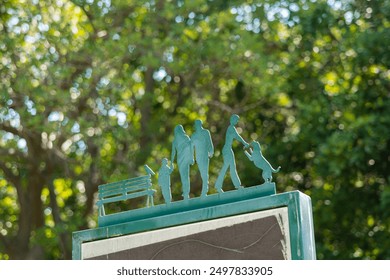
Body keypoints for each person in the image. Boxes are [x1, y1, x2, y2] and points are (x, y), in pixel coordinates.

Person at [215, 114, 249, 193]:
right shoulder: (231, 128)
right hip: (227, 149)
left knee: (232, 167)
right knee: (226, 167)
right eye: (236, 120)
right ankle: (218, 186)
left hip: (228, 149)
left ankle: (237, 185)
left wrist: (245, 143)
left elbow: (237, 137)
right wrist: (245, 143)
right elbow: (238, 137)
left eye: (237, 120)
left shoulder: (231, 128)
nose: (237, 122)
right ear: (232, 120)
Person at [191, 120, 214, 196]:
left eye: (198, 124)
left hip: (205, 154)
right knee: (202, 173)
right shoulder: (193, 135)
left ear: (200, 124)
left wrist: (211, 151)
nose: (197, 125)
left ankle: (205, 189)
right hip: (198, 156)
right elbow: (191, 147)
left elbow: (209, 142)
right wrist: (192, 157)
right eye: (196, 124)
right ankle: (205, 187)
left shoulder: (205, 132)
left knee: (205, 172)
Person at [171, 125, 194, 200]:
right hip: (180, 160)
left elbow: (191, 148)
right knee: (184, 176)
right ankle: (185, 192)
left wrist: (191, 158)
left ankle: (186, 193)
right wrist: (171, 163)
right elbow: (173, 152)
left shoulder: (186, 138)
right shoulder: (175, 140)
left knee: (185, 176)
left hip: (185, 159)